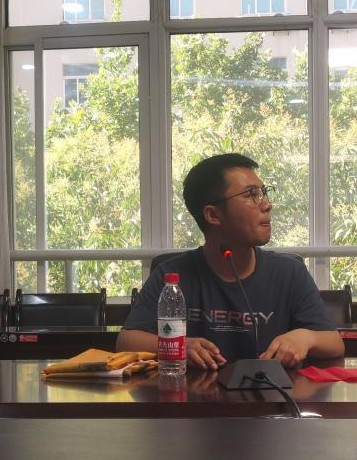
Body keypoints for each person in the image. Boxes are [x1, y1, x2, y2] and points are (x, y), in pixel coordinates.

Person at [117, 153, 343, 369]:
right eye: (251, 194)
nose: (267, 204)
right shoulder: (172, 275)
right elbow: (126, 341)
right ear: (213, 215)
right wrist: (180, 345)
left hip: (270, 393)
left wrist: (306, 337)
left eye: (263, 192)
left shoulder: (289, 272)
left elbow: (335, 344)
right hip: (193, 394)